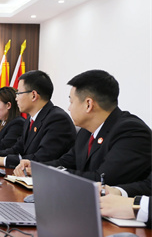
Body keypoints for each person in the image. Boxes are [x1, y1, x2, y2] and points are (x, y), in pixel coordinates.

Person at [15, 70, 151, 185]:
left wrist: (49, 172)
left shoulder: (131, 132)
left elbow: (102, 180)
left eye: (71, 101)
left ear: (88, 104)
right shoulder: (86, 131)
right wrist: (36, 167)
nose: (69, 108)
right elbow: (66, 162)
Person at [0, 70, 75, 168]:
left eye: (18, 93)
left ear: (33, 95)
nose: (16, 98)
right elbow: (17, 148)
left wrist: (2, 161)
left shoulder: (57, 120)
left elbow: (42, 158)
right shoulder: (30, 119)